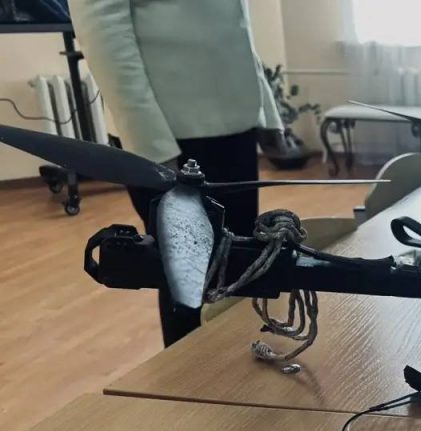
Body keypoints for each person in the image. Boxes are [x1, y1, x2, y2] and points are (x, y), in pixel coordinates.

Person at [69, 0, 283, 347]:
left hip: (234, 127)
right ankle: (194, 377)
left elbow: (234, 22)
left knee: (239, 267)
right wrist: (151, 146)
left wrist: (265, 110)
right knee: (187, 282)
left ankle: (238, 367)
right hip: (170, 137)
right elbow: (103, 34)